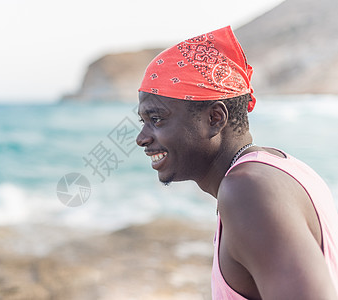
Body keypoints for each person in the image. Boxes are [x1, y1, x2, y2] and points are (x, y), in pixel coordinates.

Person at [135, 26, 338, 299]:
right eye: (143, 122)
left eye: (156, 119)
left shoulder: (248, 191)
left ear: (215, 119)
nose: (141, 138)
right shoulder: (280, 168)